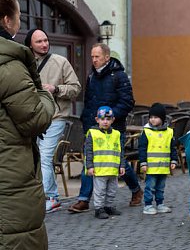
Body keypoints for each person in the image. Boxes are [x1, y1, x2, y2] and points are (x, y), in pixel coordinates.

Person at [0, 0, 55, 250]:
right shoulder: (8, 64)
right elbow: (35, 118)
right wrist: (45, 95)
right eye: (19, 15)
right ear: (7, 21)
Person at [70, 43, 142, 213]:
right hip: (93, 128)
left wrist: (109, 116)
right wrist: (87, 122)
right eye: (92, 56)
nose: (94, 60)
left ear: (107, 57)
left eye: (97, 57)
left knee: (117, 161)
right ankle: (84, 199)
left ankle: (136, 189)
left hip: (114, 128)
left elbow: (128, 102)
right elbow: (89, 102)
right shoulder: (91, 76)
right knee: (90, 161)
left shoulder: (119, 76)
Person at [24, 28, 81, 213]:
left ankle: (52, 197)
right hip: (33, 117)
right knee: (34, 157)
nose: (44, 44)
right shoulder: (25, 63)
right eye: (39, 41)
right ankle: (39, 196)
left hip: (56, 117)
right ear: (30, 45)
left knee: (45, 156)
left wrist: (56, 89)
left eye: (46, 40)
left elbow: (76, 88)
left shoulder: (60, 61)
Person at [84, 106, 125, 220]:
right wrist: (89, 166)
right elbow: (88, 152)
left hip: (113, 169)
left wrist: (122, 165)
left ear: (113, 120)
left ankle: (108, 206)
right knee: (100, 191)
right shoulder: (92, 133)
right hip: (99, 169)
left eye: (108, 119)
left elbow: (120, 151)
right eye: (102, 119)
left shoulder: (116, 134)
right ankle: (99, 208)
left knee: (112, 190)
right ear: (97, 120)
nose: (105, 122)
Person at [138, 103, 179, 215]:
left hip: (163, 166)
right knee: (150, 187)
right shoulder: (146, 131)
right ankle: (148, 205)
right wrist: (143, 163)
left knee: (160, 187)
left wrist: (173, 160)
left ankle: (160, 204)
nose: (152, 120)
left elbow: (172, 148)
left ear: (162, 118)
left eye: (155, 117)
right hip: (151, 167)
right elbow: (142, 148)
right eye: (151, 117)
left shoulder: (169, 132)